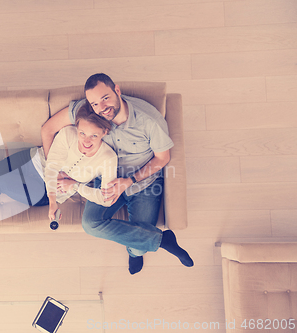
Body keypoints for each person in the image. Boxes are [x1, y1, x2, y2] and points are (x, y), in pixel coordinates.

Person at [41, 73, 193, 274]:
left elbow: (162, 159)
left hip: (141, 183)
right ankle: (163, 239)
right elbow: (48, 129)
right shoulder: (89, 112)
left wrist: (129, 181)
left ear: (117, 91)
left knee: (138, 248)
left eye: (105, 98)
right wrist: (59, 170)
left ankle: (135, 252)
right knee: (90, 224)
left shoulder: (149, 122)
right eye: (94, 103)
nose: (101, 108)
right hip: (105, 178)